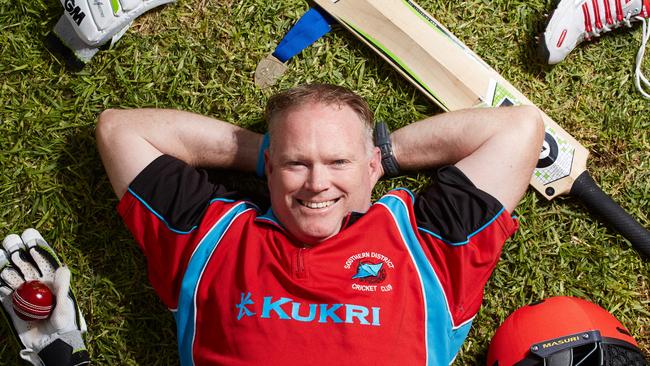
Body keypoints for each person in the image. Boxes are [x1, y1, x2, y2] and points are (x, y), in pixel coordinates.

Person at [96, 83, 544, 365]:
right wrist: (266, 157)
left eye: (337, 161)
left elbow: (519, 128)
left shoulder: (427, 246)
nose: (316, 183)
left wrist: (383, 158)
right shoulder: (211, 236)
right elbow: (120, 131)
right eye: (297, 163)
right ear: (269, 167)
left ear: (370, 167)